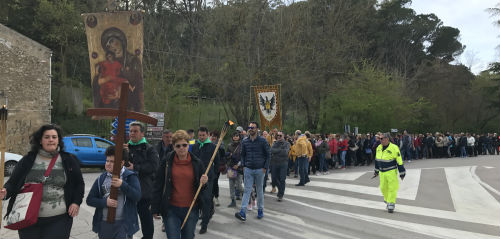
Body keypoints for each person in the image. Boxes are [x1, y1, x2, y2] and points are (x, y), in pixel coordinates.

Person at [0, 124, 84, 239]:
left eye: (54, 137)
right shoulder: (28, 160)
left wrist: (76, 202)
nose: (51, 140)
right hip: (28, 218)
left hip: (59, 218)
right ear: (40, 140)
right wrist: (5, 191)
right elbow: (13, 183)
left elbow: (79, 184)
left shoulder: (69, 160)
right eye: (47, 137)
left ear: (58, 140)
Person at [151, 130, 209, 239]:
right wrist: (155, 207)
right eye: (178, 146)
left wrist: (204, 182)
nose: (181, 148)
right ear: (173, 147)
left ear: (188, 145)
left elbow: (202, 188)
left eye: (184, 145)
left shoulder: (197, 163)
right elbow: (158, 184)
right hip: (171, 209)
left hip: (191, 209)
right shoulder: (167, 161)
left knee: (188, 236)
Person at [86, 146, 141, 239]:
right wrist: (104, 202)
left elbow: (137, 196)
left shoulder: (130, 176)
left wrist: (123, 185)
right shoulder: (101, 179)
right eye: (107, 161)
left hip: (123, 224)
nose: (108, 164)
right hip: (104, 223)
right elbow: (90, 200)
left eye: (112, 162)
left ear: (122, 163)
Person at [125, 122, 159, 239]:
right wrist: (124, 154)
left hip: (144, 193)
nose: (132, 133)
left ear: (142, 133)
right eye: (131, 131)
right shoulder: (125, 147)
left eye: (135, 131)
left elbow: (154, 167)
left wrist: (136, 167)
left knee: (147, 222)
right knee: (126, 221)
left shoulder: (149, 149)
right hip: (128, 192)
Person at [235, 122, 271, 221]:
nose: (251, 129)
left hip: (260, 169)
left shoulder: (263, 141)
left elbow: (268, 155)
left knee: (259, 191)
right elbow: (242, 155)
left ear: (257, 129)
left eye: (253, 127)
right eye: (249, 127)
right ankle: (242, 211)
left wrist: (265, 168)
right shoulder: (245, 141)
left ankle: (260, 210)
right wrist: (243, 166)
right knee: (247, 190)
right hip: (248, 169)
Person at [190, 126, 219, 234]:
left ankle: (204, 225)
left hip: (208, 178)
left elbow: (217, 162)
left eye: (203, 135)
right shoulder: (195, 146)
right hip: (196, 177)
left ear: (207, 135)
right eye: (200, 135)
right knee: (196, 200)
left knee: (206, 200)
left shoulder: (212, 147)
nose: (201, 137)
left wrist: (212, 175)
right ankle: (199, 216)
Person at [373, 133, 406, 213]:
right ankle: (387, 200)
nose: (380, 140)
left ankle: (391, 203)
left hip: (391, 171)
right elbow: (377, 160)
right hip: (382, 172)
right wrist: (376, 171)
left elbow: (399, 160)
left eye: (382, 139)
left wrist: (402, 172)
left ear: (387, 139)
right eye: (380, 139)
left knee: (392, 188)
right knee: (383, 188)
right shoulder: (379, 148)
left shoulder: (394, 148)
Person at [270, 131, 290, 201]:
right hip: (275, 163)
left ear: (283, 136)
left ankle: (281, 194)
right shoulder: (275, 143)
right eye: (277, 135)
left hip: (283, 163)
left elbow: (285, 152)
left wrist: (277, 151)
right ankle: (280, 190)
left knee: (282, 179)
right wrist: (280, 150)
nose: (278, 137)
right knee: (274, 178)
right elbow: (272, 150)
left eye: (280, 135)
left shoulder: (287, 143)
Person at [227, 132, 243, 207]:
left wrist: (238, 165)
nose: (235, 137)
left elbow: (243, 157)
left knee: (239, 186)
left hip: (239, 167)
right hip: (231, 167)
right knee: (231, 185)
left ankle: (249, 194)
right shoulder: (229, 145)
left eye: (237, 136)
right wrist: (229, 156)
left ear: (239, 137)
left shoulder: (242, 145)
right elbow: (227, 156)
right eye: (234, 136)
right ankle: (233, 200)